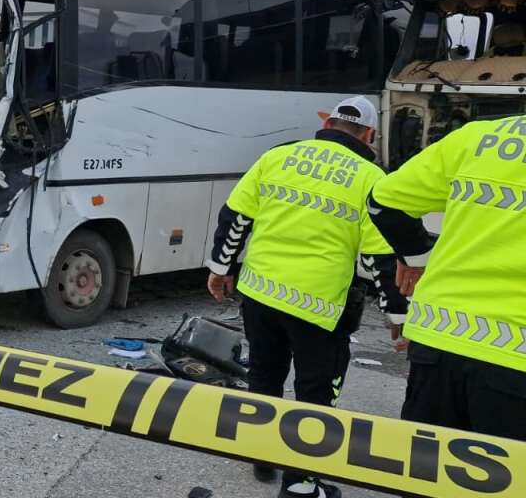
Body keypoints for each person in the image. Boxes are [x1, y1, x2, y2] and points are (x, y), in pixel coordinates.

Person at [205, 96, 405, 498]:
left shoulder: (278, 156)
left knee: (264, 375)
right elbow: (380, 256)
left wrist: (220, 268)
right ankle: (300, 484)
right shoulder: (371, 177)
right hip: (319, 306)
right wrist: (396, 315)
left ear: (327, 123)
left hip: (260, 295)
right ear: (369, 134)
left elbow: (236, 216)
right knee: (315, 394)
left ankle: (262, 455)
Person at [368, 114, 526, 441]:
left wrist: (415, 259)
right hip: (515, 360)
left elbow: (382, 203)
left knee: (427, 466)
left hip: (438, 342)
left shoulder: (479, 136)